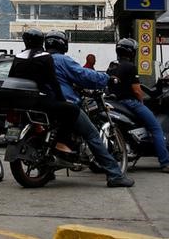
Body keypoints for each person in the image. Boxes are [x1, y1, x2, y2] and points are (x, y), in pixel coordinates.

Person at [44, 30, 134, 188]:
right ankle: (114, 174)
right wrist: (107, 79)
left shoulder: (41, 59)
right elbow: (83, 75)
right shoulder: (61, 60)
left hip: (43, 103)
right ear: (63, 44)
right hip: (65, 103)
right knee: (92, 135)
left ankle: (47, 170)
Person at [109, 38, 169, 173]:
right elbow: (137, 90)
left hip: (116, 102)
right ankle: (166, 163)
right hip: (131, 102)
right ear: (131, 52)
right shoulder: (131, 67)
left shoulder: (112, 67)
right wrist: (141, 101)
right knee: (156, 129)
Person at [8, 28, 79, 154]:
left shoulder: (18, 57)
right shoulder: (45, 57)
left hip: (19, 102)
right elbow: (53, 82)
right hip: (39, 101)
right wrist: (62, 99)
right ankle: (61, 142)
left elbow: (11, 78)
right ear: (41, 42)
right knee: (72, 110)